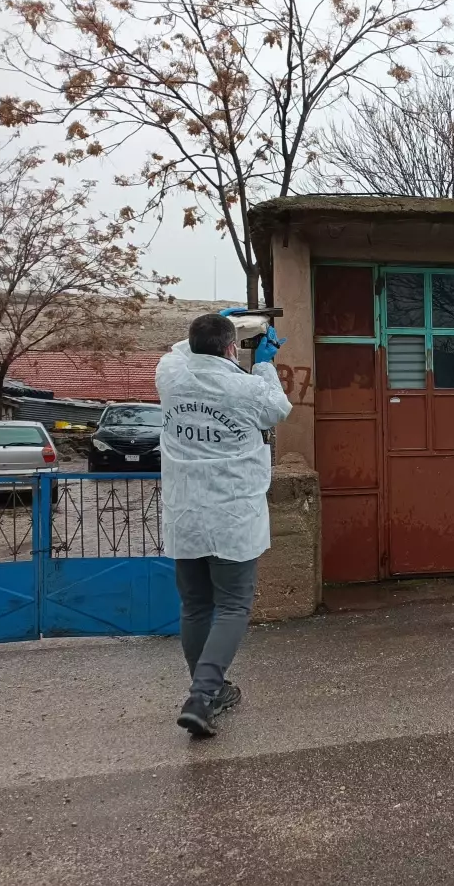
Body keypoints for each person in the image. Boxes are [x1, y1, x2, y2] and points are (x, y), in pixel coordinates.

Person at [156, 311, 291, 737]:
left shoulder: (170, 377)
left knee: (195, 606)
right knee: (232, 606)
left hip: (185, 514)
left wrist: (214, 328)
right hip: (232, 517)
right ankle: (202, 695)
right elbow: (278, 408)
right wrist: (264, 361)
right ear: (232, 348)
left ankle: (209, 691)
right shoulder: (246, 389)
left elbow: (180, 351)